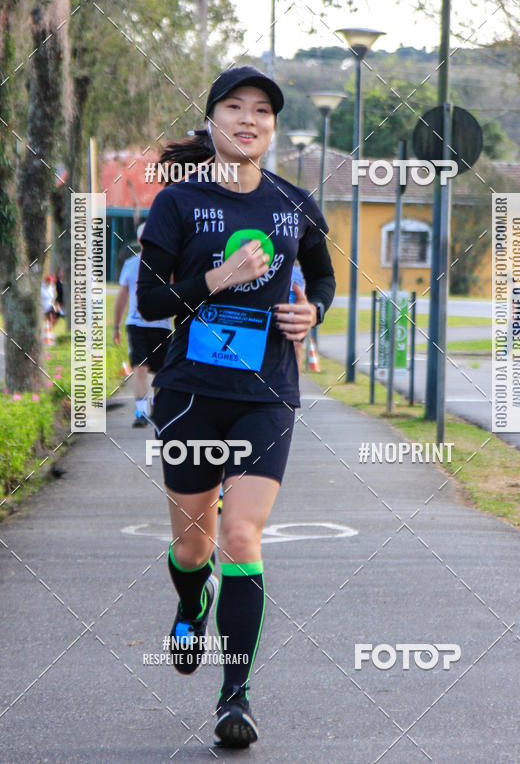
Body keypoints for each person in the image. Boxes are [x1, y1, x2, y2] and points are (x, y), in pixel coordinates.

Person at [136, 65, 335, 749]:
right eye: (234, 107)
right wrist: (219, 277)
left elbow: (325, 280)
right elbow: (150, 303)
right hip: (190, 393)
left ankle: (235, 696)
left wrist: (312, 313)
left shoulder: (296, 204)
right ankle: (192, 602)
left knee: (242, 538)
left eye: (262, 111)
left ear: (273, 128)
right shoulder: (178, 205)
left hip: (267, 393)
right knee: (194, 546)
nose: (248, 119)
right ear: (214, 121)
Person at [113, 223, 173, 426]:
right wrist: (115, 326)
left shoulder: (168, 265)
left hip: (161, 325)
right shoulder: (130, 264)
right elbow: (122, 297)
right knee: (139, 367)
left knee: (161, 372)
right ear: (139, 241)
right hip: (136, 324)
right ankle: (141, 412)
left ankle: (158, 408)